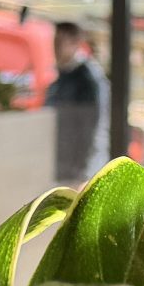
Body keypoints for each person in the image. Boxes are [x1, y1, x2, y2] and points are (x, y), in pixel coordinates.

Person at [47, 20, 108, 183]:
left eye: (60, 42)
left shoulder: (87, 78)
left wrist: (83, 172)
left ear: (75, 43)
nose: (55, 48)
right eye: (54, 42)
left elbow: (92, 128)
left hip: (79, 171)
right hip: (62, 166)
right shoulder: (62, 75)